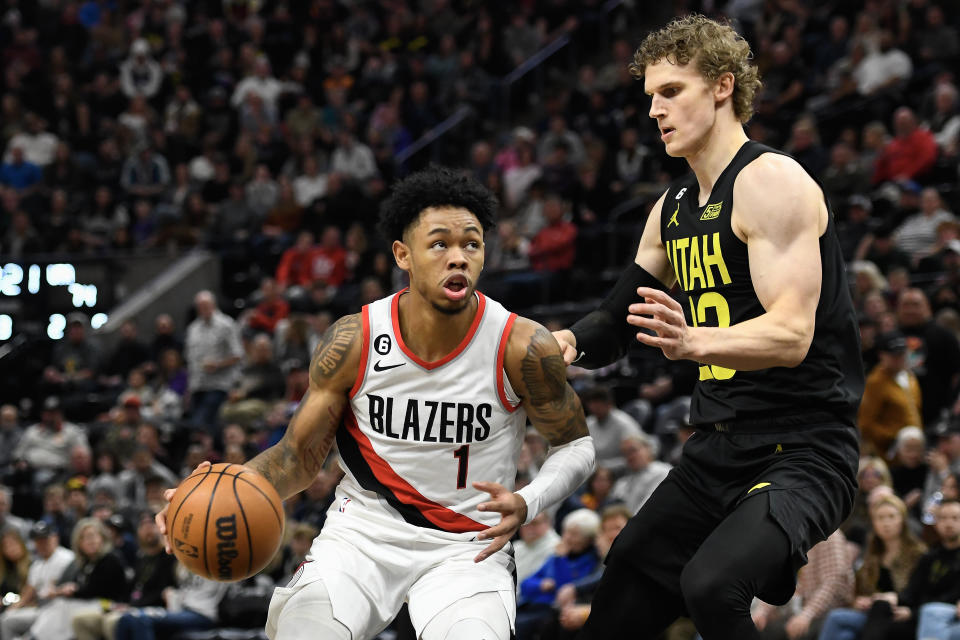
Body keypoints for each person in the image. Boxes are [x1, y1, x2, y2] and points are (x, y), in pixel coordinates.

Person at [158, 166, 596, 640]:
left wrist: (528, 501)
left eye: (471, 243)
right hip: (361, 534)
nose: (458, 257)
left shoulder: (521, 344)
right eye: (440, 244)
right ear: (402, 254)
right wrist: (207, 499)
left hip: (469, 547)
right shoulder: (355, 339)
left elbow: (577, 445)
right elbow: (297, 459)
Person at [551, 15, 864, 639]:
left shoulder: (771, 181)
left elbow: (791, 334)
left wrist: (696, 340)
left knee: (712, 584)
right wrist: (559, 345)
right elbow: (616, 319)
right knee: (626, 585)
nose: (655, 111)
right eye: (650, 98)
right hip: (716, 448)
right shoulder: (670, 210)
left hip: (804, 445)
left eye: (671, 92)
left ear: (722, 87)